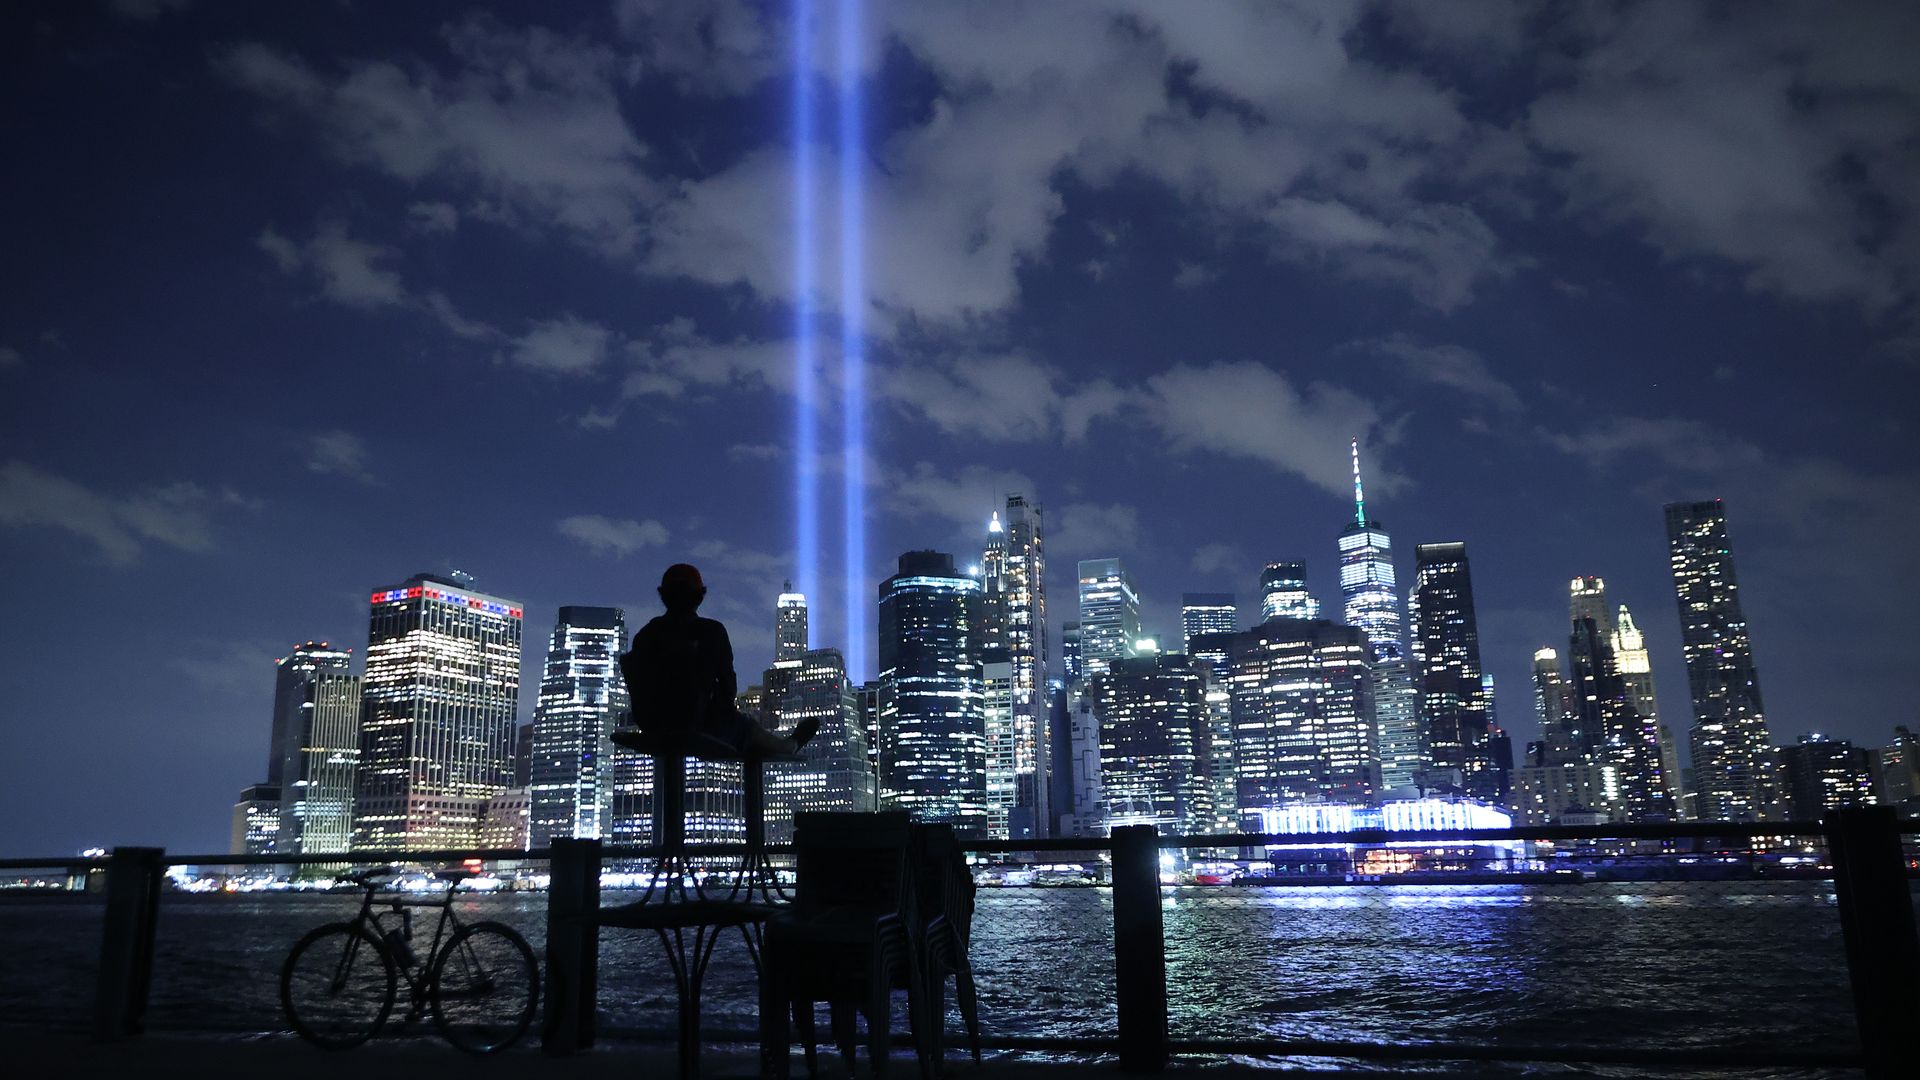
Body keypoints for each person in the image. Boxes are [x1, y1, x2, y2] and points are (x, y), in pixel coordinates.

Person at [613, 563, 819, 756]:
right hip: (701, 727)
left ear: (662, 594)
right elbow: (728, 686)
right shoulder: (711, 631)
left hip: (653, 727)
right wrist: (723, 715)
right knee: (748, 727)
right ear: (700, 596)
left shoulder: (646, 635)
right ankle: (788, 746)